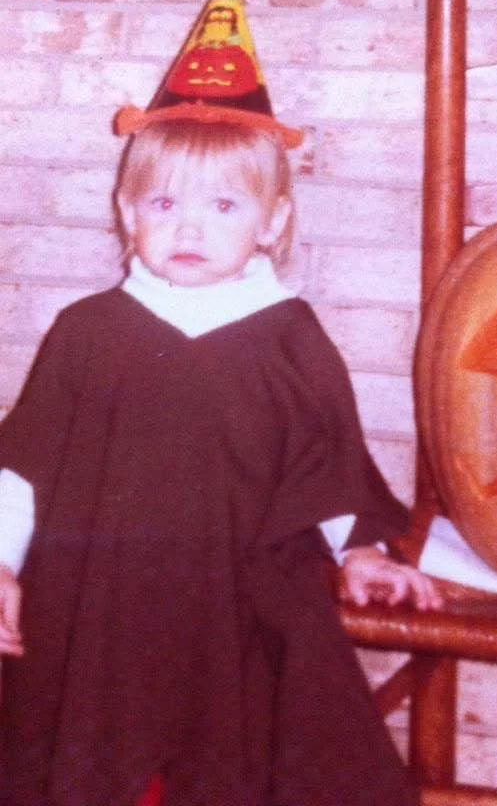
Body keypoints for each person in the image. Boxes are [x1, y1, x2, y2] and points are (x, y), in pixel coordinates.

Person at [0, 114, 441, 806]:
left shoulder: (290, 337)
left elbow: (326, 473)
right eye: (165, 203)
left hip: (236, 608)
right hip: (97, 608)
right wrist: (2, 560)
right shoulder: (87, 333)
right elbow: (25, 467)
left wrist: (363, 555)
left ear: (272, 221)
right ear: (127, 211)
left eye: (225, 205)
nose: (190, 229)